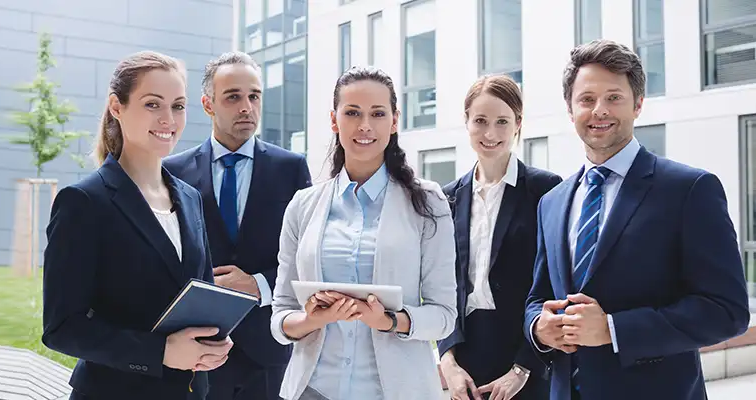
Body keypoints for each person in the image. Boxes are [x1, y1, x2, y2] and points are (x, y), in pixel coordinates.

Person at [523, 39, 750, 400]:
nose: (599, 110)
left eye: (614, 97)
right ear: (570, 110)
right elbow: (537, 296)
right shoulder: (551, 202)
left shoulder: (689, 189)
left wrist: (614, 329)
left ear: (638, 104)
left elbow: (727, 312)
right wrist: (538, 327)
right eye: (586, 99)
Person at [41, 50, 234, 400]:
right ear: (117, 107)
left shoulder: (190, 198)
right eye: (152, 104)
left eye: (178, 106)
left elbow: (200, 293)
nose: (168, 119)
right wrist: (159, 352)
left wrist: (213, 338)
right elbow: (62, 328)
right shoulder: (83, 202)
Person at [268, 65, 457, 400]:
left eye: (378, 114)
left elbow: (444, 317)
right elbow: (281, 314)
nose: (365, 126)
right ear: (333, 120)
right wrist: (311, 320)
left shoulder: (428, 203)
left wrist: (387, 320)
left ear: (394, 121)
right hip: (313, 389)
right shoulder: (302, 205)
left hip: (395, 392)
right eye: (352, 113)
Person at [164, 51, 312, 400]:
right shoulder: (172, 172)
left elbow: (309, 256)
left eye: (254, 96)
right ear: (208, 104)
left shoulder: (290, 168)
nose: (247, 106)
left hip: (269, 350)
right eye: (233, 97)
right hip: (198, 348)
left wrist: (258, 285)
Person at [438, 75, 562, 400]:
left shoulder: (546, 191)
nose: (490, 133)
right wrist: (448, 361)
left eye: (502, 121)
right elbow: (441, 286)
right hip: (465, 363)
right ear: (466, 121)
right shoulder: (447, 198)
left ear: (518, 124)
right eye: (480, 121)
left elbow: (555, 284)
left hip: (527, 357)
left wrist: (523, 367)